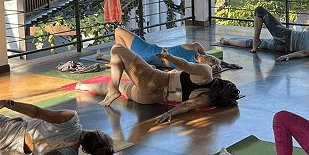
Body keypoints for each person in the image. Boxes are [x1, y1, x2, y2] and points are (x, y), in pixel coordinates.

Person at [75, 44, 242, 124]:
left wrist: (168, 56)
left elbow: (185, 65)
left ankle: (103, 88)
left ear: (224, 83)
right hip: (150, 99)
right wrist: (169, 113)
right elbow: (187, 105)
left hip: (155, 81)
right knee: (118, 85)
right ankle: (83, 87)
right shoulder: (208, 99)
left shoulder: (206, 73)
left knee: (117, 49)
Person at [219, 6, 309, 61]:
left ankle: (254, 40)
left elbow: (308, 29)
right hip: (283, 48)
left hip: (286, 35)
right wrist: (287, 56)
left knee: (259, 10)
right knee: (250, 43)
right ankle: (227, 42)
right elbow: (303, 53)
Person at [97, 28, 242, 73]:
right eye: (210, 56)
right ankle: (104, 57)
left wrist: (215, 66)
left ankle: (114, 61)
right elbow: (211, 60)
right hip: (151, 48)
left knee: (118, 32)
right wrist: (227, 64)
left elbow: (176, 72)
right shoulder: (196, 47)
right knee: (121, 40)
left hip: (147, 54)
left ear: (205, 65)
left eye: (208, 59)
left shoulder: (189, 65)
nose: (207, 56)